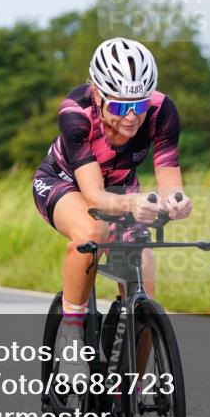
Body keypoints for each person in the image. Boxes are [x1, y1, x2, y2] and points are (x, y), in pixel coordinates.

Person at [32, 37, 193, 377]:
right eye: (120, 107)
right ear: (98, 94)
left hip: (121, 189)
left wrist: (175, 201)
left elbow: (169, 178)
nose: (132, 116)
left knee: (144, 278)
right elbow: (93, 195)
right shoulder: (76, 113)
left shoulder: (162, 111)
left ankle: (129, 389)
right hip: (66, 183)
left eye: (140, 104)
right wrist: (133, 203)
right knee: (92, 231)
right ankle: (73, 335)